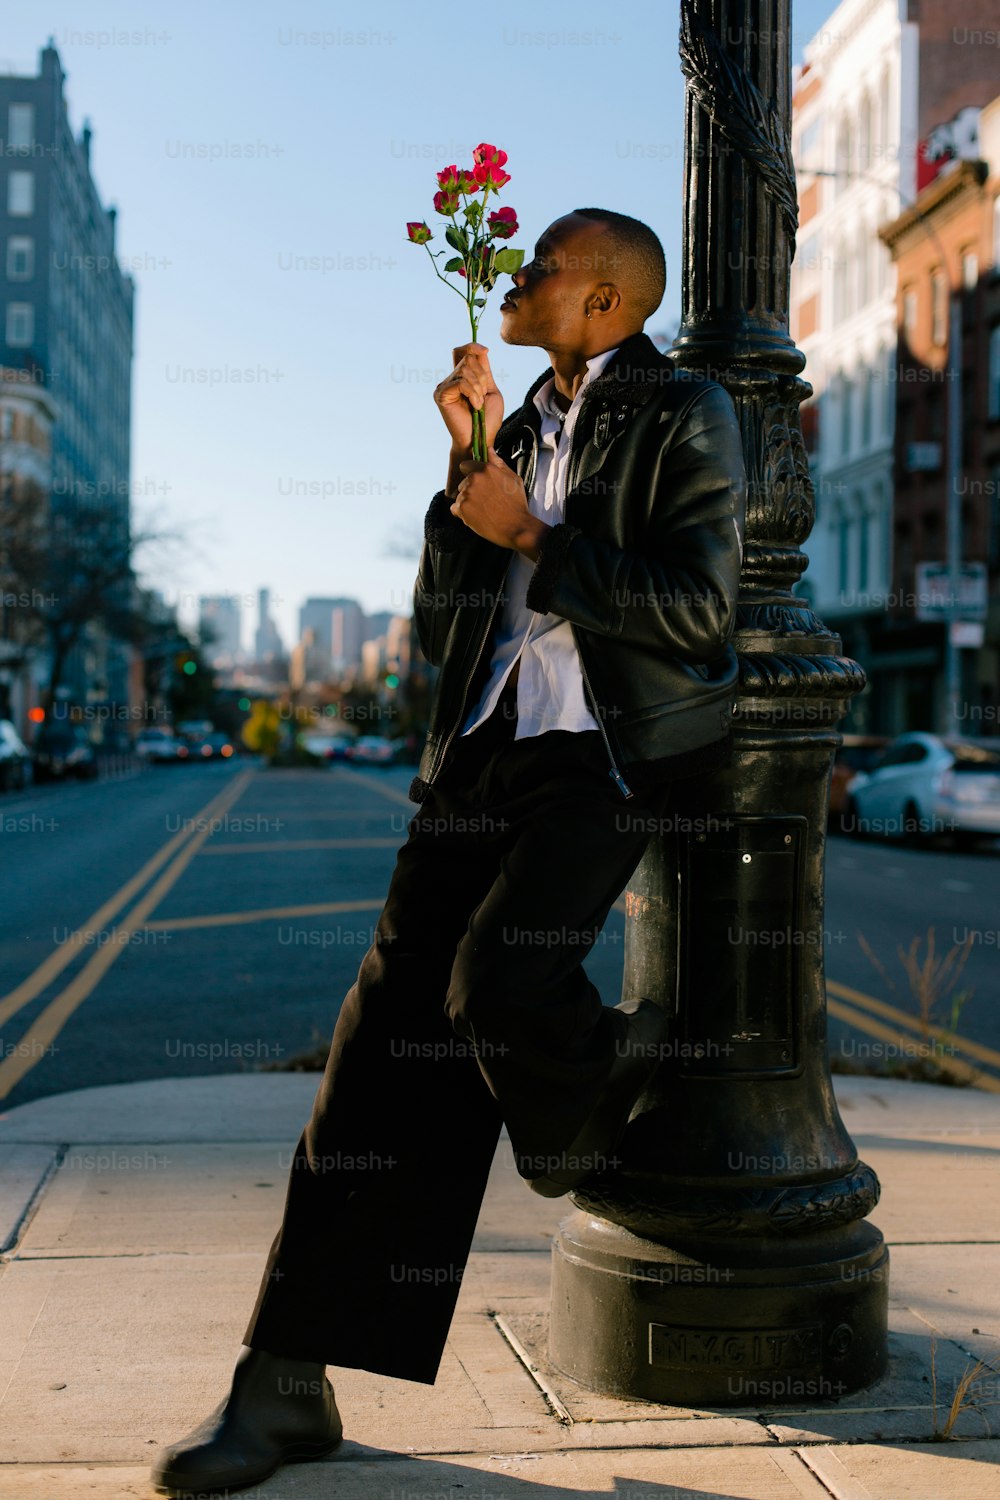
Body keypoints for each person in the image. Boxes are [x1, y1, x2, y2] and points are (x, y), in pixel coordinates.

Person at [152, 208, 747, 1498]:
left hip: (607, 747)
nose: (514, 281)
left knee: (502, 986)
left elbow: (702, 612)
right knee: (379, 1051)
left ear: (605, 302)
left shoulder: (687, 409)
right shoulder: (516, 424)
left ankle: (603, 1071)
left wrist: (536, 537)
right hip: (480, 751)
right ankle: (285, 1382)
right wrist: (463, 473)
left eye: (540, 270)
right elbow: (440, 632)